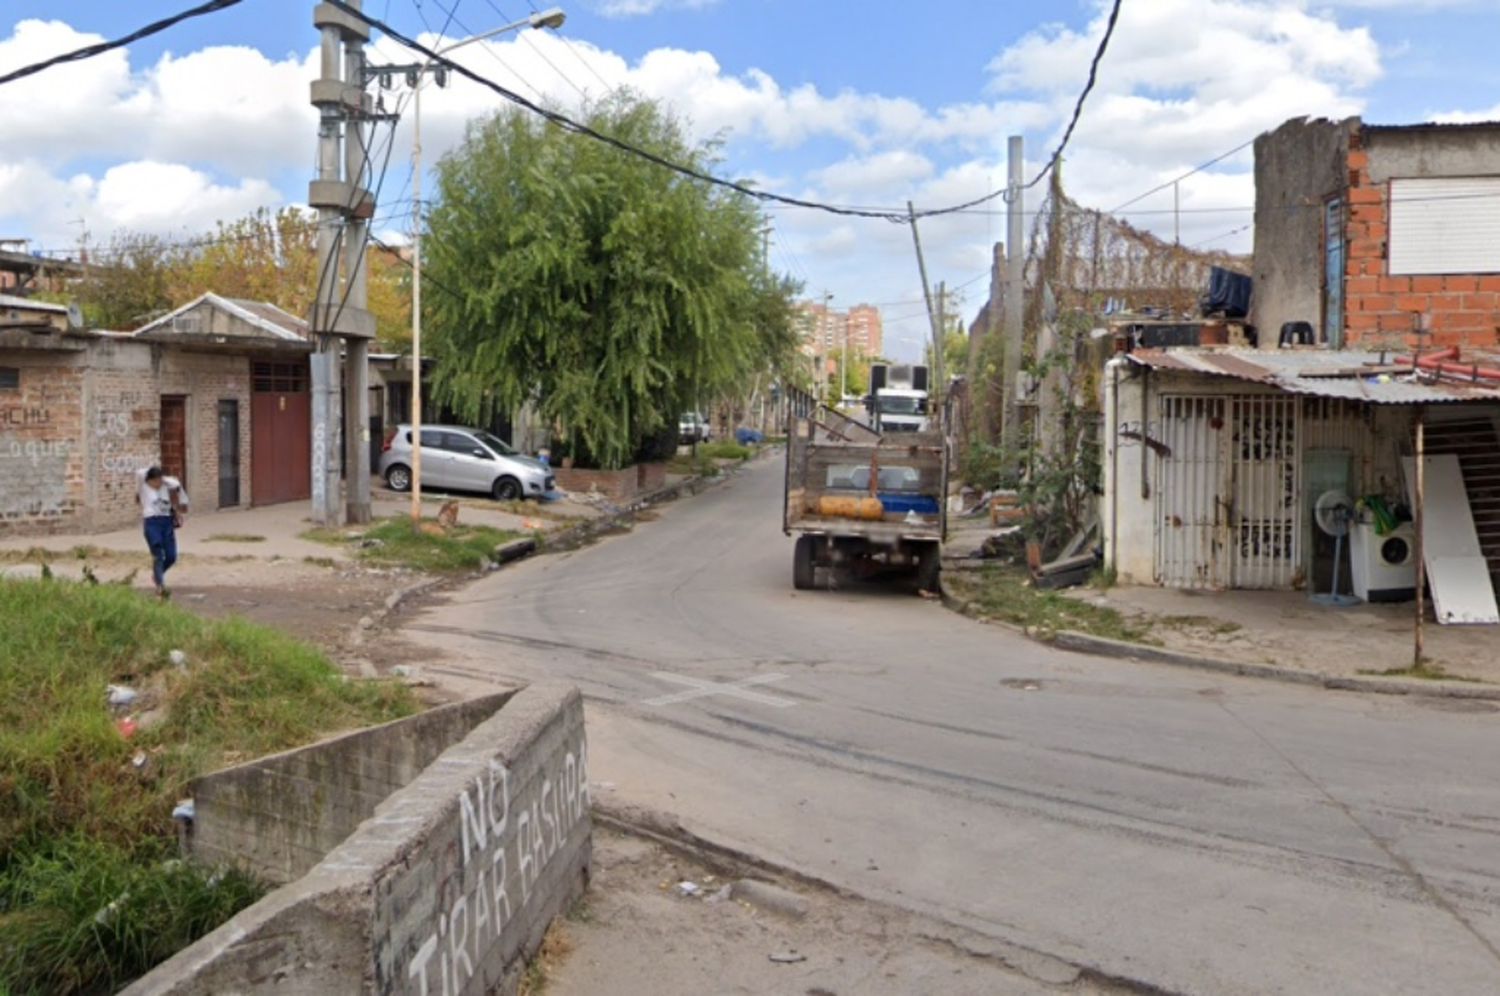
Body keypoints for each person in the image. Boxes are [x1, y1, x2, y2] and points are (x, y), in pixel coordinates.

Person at [136, 465, 189, 599]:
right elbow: (140, 472)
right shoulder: (143, 487)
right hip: (152, 522)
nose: (158, 484)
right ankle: (160, 587)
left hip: (166, 522)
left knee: (171, 556)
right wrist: (152, 475)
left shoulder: (164, 486)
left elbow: (176, 483)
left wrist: (162, 479)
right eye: (156, 481)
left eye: (160, 481)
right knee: (158, 556)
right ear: (149, 480)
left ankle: (157, 575)